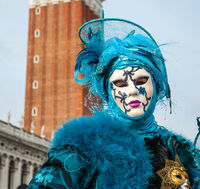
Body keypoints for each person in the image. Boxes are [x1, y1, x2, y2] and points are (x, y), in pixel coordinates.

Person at [27, 16, 200, 188]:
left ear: (155, 85)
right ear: (108, 92)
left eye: (140, 81)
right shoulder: (84, 146)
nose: (132, 90)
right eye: (120, 84)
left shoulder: (181, 150)